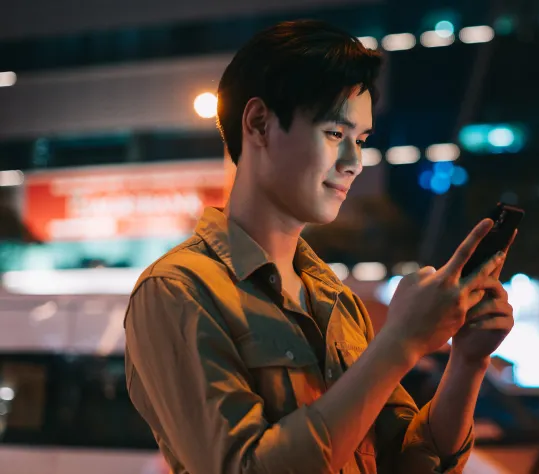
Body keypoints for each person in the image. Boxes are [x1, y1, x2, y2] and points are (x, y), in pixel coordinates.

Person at [123, 19, 516, 474]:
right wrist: (401, 343)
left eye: (361, 140)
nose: (354, 162)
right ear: (259, 124)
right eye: (334, 134)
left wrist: (468, 362)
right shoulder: (178, 291)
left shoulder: (334, 299)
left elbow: (406, 463)